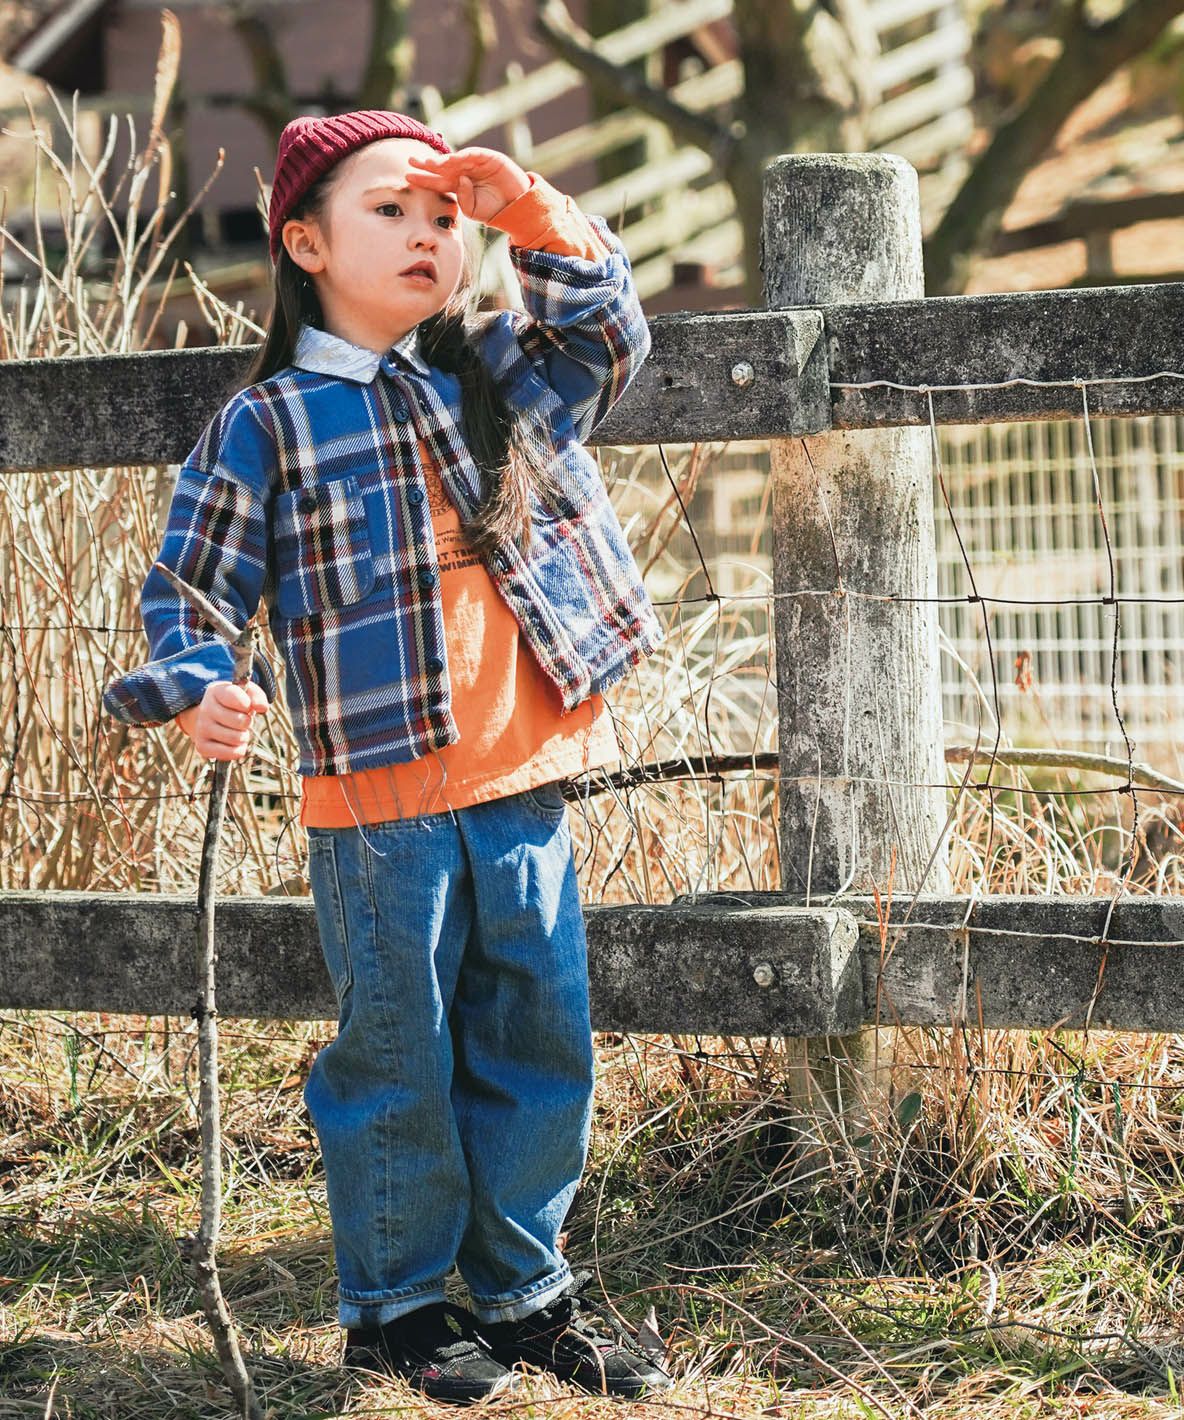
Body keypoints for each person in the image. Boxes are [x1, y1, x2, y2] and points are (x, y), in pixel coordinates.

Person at [102, 109, 671, 1404]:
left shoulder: (493, 373)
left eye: (443, 217)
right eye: (390, 212)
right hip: (377, 814)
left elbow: (606, 332)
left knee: (540, 1037)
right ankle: (401, 1308)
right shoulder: (271, 424)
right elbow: (188, 593)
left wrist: (526, 210)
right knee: (397, 1056)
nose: (428, 235)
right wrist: (198, 692)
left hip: (521, 785)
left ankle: (526, 1292)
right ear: (303, 241)